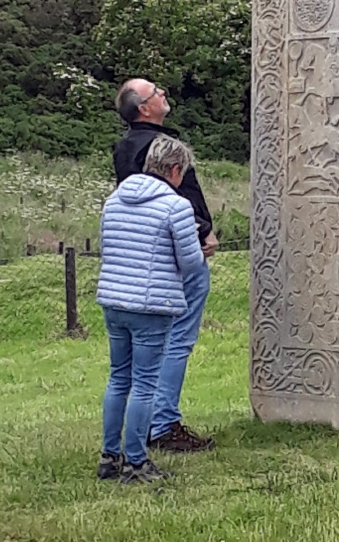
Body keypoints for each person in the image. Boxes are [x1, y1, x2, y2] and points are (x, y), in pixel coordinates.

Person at [112, 78, 218, 453]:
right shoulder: (160, 148)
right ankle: (163, 423)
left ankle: (136, 429)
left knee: (131, 358)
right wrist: (203, 233)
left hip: (143, 256)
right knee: (178, 339)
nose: (163, 94)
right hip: (178, 248)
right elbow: (179, 199)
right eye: (156, 92)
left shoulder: (124, 148)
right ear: (143, 107)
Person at [96, 135, 204, 484]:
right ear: (174, 170)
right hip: (151, 303)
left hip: (113, 299)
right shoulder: (176, 206)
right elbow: (190, 262)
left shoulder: (114, 200)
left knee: (118, 379)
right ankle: (137, 462)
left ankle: (109, 457)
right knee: (144, 384)